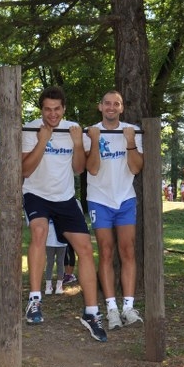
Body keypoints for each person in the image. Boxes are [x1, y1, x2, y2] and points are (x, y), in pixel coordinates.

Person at [21, 86, 106, 342]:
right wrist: (43, 140)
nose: (52, 114)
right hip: (36, 194)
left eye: (57, 109)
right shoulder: (31, 129)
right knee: (39, 231)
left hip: (65, 198)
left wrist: (78, 142)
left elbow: (79, 168)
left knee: (85, 248)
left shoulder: (72, 129)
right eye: (47, 109)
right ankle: (35, 300)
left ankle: (91, 312)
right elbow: (25, 170)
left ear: (63, 109)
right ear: (41, 109)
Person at [84, 90, 144, 330]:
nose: (111, 107)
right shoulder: (91, 132)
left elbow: (136, 168)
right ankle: (111, 309)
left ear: (122, 107)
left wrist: (130, 142)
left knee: (128, 250)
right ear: (100, 106)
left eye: (116, 104)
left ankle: (128, 307)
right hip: (99, 199)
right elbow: (92, 169)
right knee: (106, 251)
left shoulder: (133, 131)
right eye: (107, 103)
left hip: (125, 199)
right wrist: (95, 141)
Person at [44, 220, 66, 296]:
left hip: (61, 242)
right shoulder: (47, 215)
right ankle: (49, 286)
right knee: (51, 263)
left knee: (59, 262)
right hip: (49, 242)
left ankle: (58, 286)